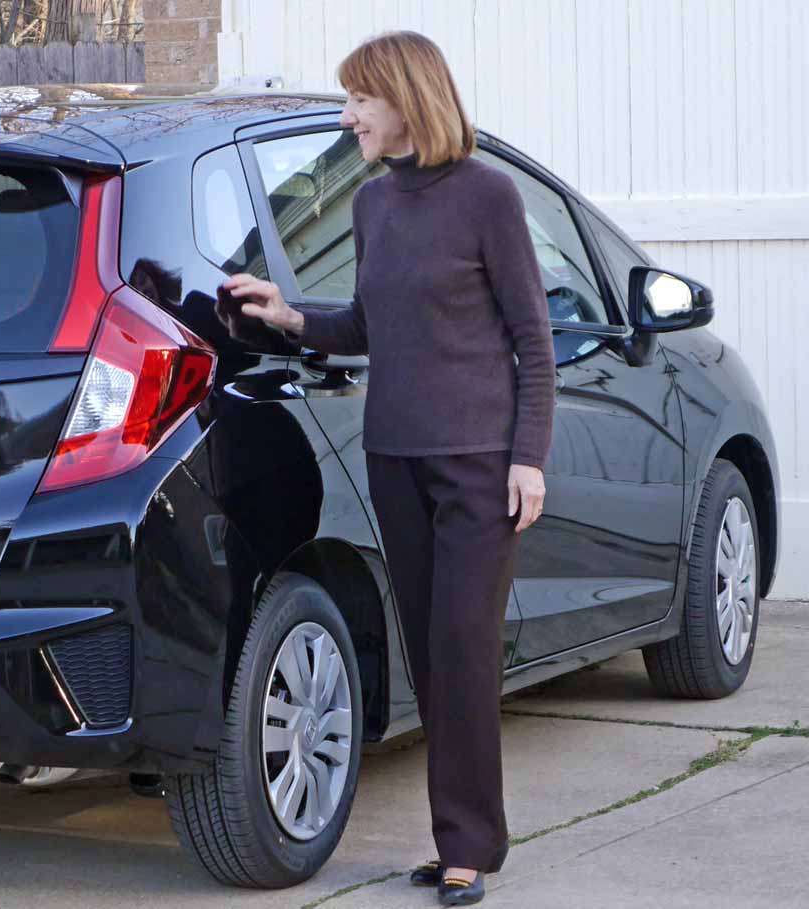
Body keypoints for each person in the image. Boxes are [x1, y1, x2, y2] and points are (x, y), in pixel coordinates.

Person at [221, 29, 554, 908]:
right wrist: (289, 316)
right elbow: (368, 328)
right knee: (427, 652)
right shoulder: (373, 208)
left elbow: (533, 340)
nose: (348, 116)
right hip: (394, 458)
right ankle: (456, 840)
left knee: (463, 647)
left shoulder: (489, 197)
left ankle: (470, 847)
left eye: (359, 100)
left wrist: (529, 458)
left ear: (407, 98)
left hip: (479, 465)